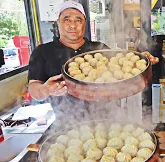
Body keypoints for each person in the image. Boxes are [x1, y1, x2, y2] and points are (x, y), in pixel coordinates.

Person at [28, 1, 157, 120]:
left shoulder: (99, 48)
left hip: (108, 116)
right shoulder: (43, 52)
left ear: (84, 23)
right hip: (67, 122)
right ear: (58, 22)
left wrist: (141, 61)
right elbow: (34, 89)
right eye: (67, 20)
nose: (73, 25)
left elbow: (122, 66)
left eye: (78, 20)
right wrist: (46, 89)